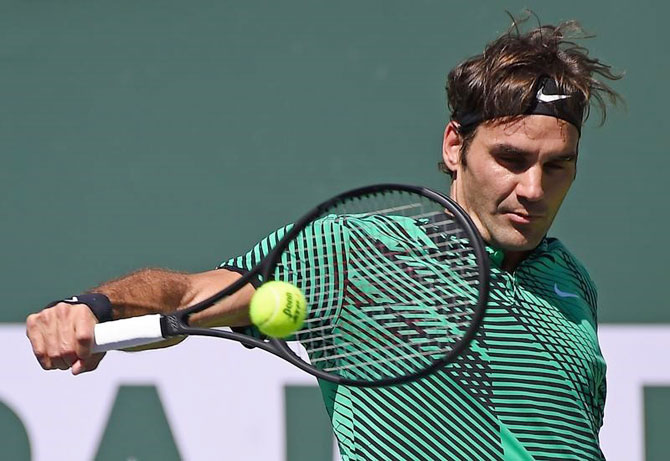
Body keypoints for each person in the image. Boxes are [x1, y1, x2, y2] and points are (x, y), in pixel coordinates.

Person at [26, 17, 621, 460]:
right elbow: (188, 295)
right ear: (454, 146)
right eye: (511, 159)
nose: (534, 189)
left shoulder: (571, 281)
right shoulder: (348, 252)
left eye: (557, 166)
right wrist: (92, 309)